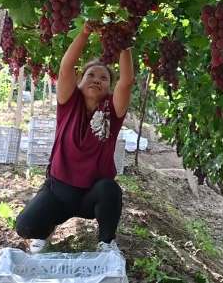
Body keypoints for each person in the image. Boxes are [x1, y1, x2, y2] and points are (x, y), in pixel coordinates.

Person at [15, 22, 135, 254]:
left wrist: (123, 41)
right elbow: (66, 68)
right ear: (79, 82)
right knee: (25, 227)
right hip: (58, 191)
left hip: (91, 196)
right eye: (90, 74)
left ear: (109, 88)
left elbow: (127, 81)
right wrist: (85, 32)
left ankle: (106, 243)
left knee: (110, 190)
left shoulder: (113, 111)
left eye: (104, 78)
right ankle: (44, 230)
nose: (97, 79)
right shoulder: (69, 103)